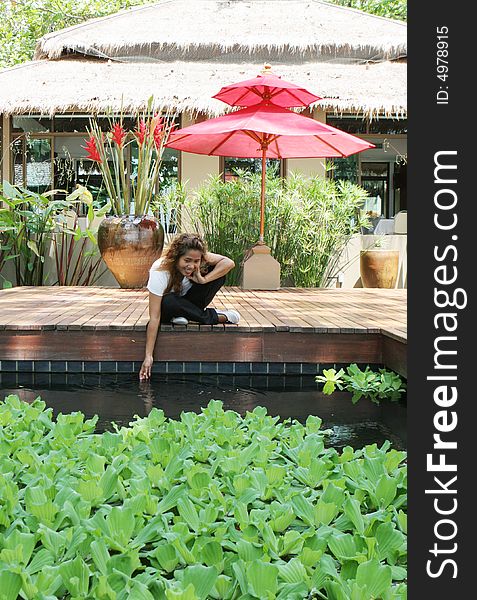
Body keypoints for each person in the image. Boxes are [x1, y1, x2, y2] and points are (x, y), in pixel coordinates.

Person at [139, 233, 240, 380]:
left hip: (191, 303)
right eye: (187, 260)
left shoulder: (200, 258)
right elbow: (154, 317)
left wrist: (204, 280)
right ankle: (213, 316)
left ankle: (185, 316)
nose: (191, 266)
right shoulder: (159, 270)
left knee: (218, 274)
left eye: (196, 261)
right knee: (169, 300)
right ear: (176, 257)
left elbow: (229, 263)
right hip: (168, 309)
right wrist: (148, 356)